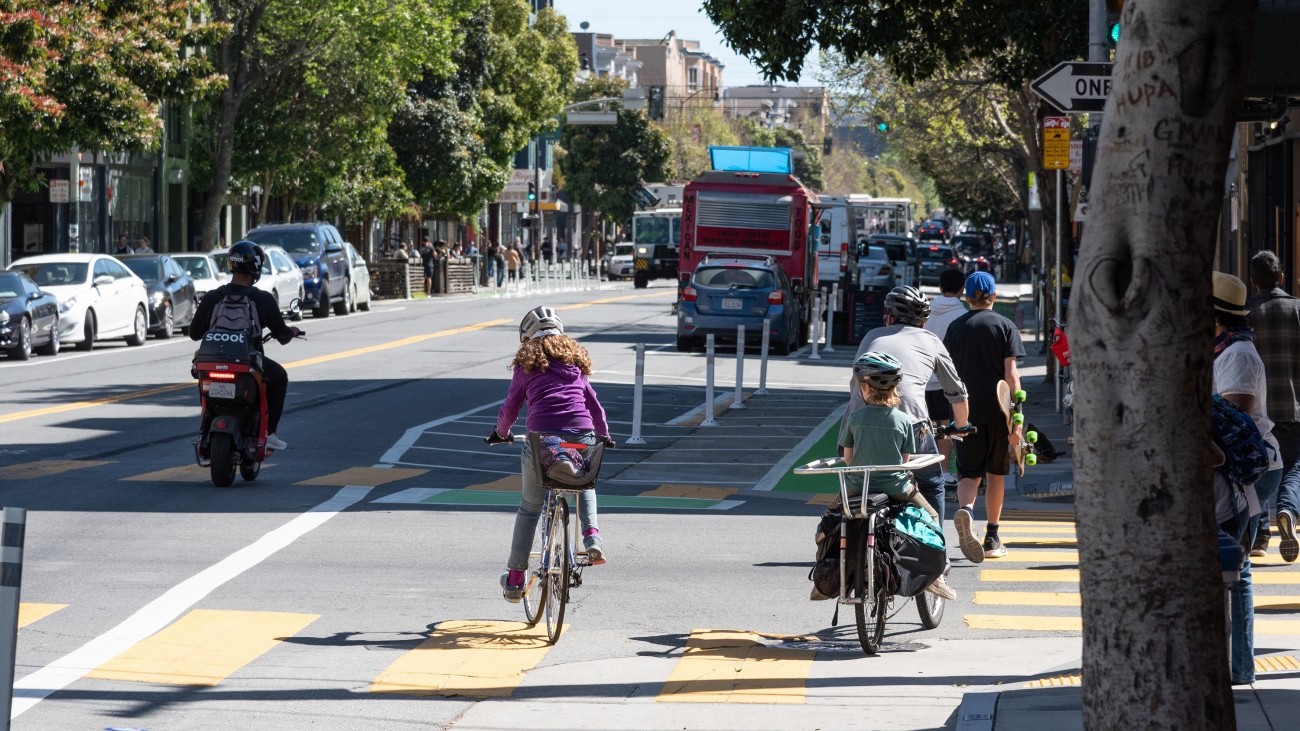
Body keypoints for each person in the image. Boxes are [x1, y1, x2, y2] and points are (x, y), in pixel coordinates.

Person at [492, 306, 612, 602]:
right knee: (585, 483)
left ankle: (516, 578)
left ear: (528, 339)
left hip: (542, 439)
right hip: (581, 435)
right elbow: (595, 406)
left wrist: (501, 433)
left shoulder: (527, 366)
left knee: (530, 507)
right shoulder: (575, 364)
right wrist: (604, 435)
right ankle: (592, 536)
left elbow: (511, 407)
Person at [842, 285, 971, 532]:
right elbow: (955, 391)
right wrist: (962, 426)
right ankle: (936, 549)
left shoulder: (872, 336)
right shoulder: (931, 341)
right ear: (923, 321)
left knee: (856, 476)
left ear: (888, 316)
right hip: (912, 423)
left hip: (858, 421)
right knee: (932, 484)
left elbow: (854, 388)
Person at [835, 351, 956, 600]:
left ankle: (828, 577)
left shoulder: (854, 418)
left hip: (858, 487)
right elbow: (905, 461)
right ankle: (937, 577)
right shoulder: (903, 421)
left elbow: (847, 459)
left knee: (831, 520)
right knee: (931, 516)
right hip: (897, 488)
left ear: (865, 389)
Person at [1212, 271, 1282, 685]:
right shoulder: (1224, 348)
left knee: (1236, 568)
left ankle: (1240, 667)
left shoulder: (1236, 353)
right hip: (1232, 468)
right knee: (1230, 567)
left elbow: (1233, 413)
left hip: (1246, 469)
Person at [943, 271, 1025, 563]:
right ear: (994, 296)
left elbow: (948, 375)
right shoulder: (1005, 326)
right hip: (999, 411)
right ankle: (992, 537)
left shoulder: (955, 328)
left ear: (967, 297)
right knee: (996, 474)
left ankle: (965, 510)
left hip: (965, 411)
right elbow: (1011, 375)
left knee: (968, 472)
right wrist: (1016, 416)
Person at [189, 241, 302, 451]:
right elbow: (283, 335)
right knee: (279, 377)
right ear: (256, 267)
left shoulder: (213, 297)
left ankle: (205, 428)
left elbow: (194, 334)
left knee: (203, 378)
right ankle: (270, 434)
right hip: (246, 364)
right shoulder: (262, 299)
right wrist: (292, 331)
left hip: (213, 363)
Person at [1246, 251, 1300, 562]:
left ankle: (1260, 536)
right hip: (1292, 404)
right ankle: (1288, 510)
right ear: (1281, 277)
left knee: (1257, 469)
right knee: (1292, 466)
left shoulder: (1245, 312)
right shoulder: (1296, 309)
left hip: (1255, 407)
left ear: (1252, 281)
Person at [922, 268, 969, 488]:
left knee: (923, 425)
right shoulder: (962, 315)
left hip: (922, 376)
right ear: (962, 288)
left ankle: (921, 468)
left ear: (940, 287)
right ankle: (943, 471)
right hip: (947, 379)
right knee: (946, 427)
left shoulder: (926, 310)